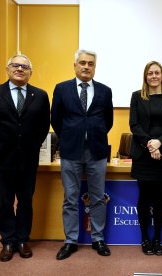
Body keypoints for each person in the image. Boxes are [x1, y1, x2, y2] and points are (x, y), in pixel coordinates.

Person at [0, 54, 50, 262]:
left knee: (26, 201)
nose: (20, 69)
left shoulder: (41, 95)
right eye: (15, 65)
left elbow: (44, 126)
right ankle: (8, 241)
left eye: (25, 67)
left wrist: (33, 145)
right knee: (5, 202)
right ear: (7, 69)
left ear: (30, 73)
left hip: (28, 159)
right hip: (2, 159)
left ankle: (22, 240)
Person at [51, 49, 113, 260]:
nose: (87, 67)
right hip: (70, 151)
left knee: (97, 197)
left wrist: (93, 135)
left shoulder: (105, 91)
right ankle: (70, 241)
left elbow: (108, 121)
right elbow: (56, 120)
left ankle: (97, 238)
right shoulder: (62, 89)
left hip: (96, 151)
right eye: (83, 63)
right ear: (75, 65)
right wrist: (71, 136)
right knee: (70, 198)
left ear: (95, 67)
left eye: (91, 64)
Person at [129, 61, 162, 256]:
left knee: (160, 199)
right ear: (145, 76)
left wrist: (159, 143)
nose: (153, 76)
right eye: (150, 73)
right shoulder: (137, 96)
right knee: (144, 198)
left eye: (157, 73)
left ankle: (158, 239)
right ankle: (144, 239)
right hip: (143, 155)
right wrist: (150, 145)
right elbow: (134, 125)